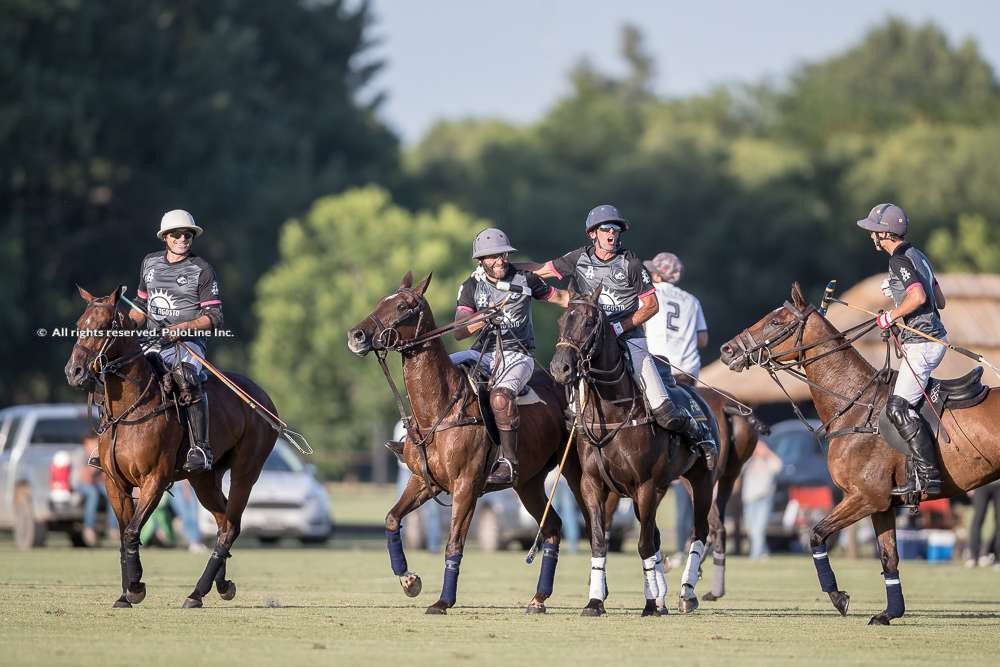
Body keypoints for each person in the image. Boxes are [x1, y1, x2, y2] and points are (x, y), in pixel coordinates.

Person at [526, 205, 716, 469]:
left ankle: (701, 436)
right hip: (591, 340)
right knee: (569, 405)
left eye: (616, 230)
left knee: (663, 407)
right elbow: (539, 270)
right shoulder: (577, 259)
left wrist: (619, 328)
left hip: (629, 338)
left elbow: (651, 306)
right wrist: (500, 269)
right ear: (593, 233)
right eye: (606, 229)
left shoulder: (631, 263)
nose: (612, 234)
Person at [90, 210, 224, 472]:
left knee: (186, 379)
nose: (183, 238)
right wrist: (128, 326)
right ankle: (105, 441)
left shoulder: (202, 270)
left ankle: (201, 448)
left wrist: (183, 327)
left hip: (188, 344)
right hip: (151, 341)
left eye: (188, 234)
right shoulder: (150, 263)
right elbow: (141, 305)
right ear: (165, 237)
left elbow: (214, 316)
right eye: (176, 234)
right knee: (109, 373)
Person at [452, 228, 569, 486]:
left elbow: (560, 297)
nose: (499, 260)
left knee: (501, 396)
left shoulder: (525, 280)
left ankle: (509, 462)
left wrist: (588, 302)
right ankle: (414, 439)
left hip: (518, 354)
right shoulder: (470, 285)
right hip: (481, 352)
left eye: (502, 255)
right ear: (481, 261)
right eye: (492, 257)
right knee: (440, 370)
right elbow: (459, 330)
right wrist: (482, 319)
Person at [858, 203, 947, 497]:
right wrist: (898, 290)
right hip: (934, 339)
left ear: (885, 233)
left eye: (874, 230)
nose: (871, 236)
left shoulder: (898, 259)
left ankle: (929, 477)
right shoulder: (917, 255)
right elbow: (939, 299)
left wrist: (890, 316)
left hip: (922, 343)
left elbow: (920, 296)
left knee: (897, 408)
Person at [642, 252, 709, 383]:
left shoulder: (650, 293)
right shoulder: (692, 300)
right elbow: (703, 340)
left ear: (657, 276)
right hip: (688, 371)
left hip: (658, 367)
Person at [740, 437, 782, 560]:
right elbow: (739, 469)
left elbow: (778, 466)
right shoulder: (749, 462)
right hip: (749, 498)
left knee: (759, 528)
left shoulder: (769, 461)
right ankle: (763, 552)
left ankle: (755, 555)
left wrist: (767, 453)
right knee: (750, 527)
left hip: (764, 497)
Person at [78, 435, 119, 545]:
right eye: (93, 443)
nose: (95, 446)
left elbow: (103, 476)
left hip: (96, 484)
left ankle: (113, 528)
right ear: (86, 443)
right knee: (93, 494)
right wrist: (94, 462)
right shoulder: (81, 455)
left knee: (112, 494)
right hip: (82, 485)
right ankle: (89, 528)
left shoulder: (100, 454)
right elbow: (84, 478)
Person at [966, 479, 1000, 568]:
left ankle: (998, 559)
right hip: (982, 482)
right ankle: (973, 557)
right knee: (978, 518)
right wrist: (970, 484)